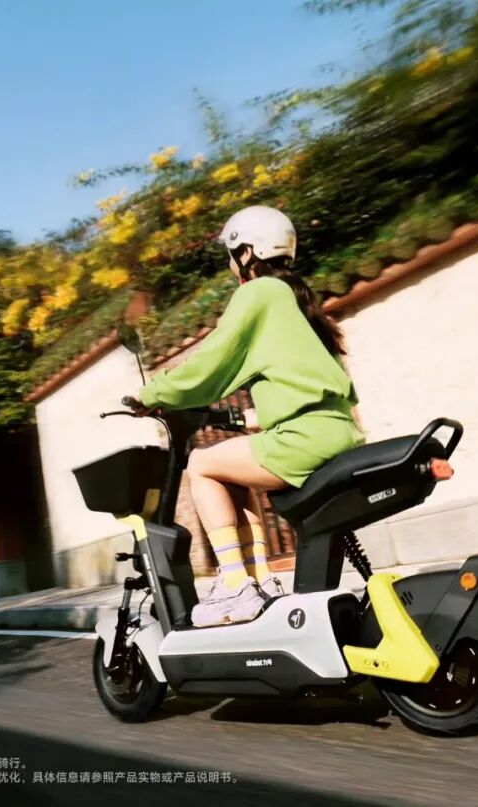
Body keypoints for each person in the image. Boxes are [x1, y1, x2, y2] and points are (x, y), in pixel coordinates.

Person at [137, 205, 365, 627]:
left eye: (232, 254)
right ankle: (261, 580)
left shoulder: (258, 293)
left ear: (247, 252)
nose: (231, 265)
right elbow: (303, 381)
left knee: (200, 463)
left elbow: (215, 357)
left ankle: (234, 584)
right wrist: (250, 418)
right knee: (233, 468)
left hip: (303, 439)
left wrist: (152, 394)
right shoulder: (300, 301)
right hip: (335, 428)